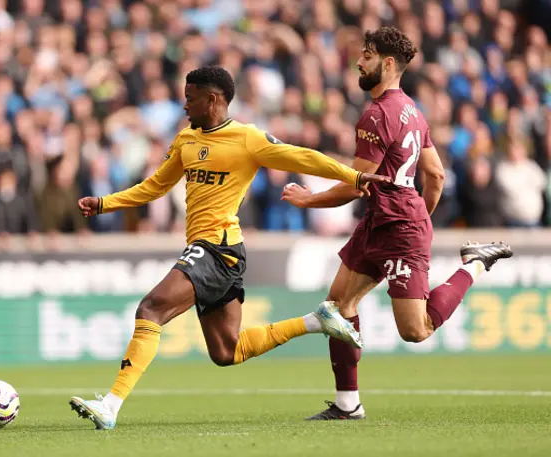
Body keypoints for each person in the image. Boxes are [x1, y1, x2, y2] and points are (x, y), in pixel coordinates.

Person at [69, 66, 391, 430]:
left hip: (218, 248)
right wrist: (104, 203)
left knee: (151, 308)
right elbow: (155, 186)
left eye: (191, 98)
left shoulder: (247, 138)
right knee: (226, 351)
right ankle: (316, 321)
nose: (185, 104)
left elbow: (303, 157)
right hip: (217, 252)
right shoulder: (185, 140)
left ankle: (111, 405)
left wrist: (353, 175)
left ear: (214, 99)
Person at [281, 27, 513, 421]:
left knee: (416, 330)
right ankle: (347, 404)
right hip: (382, 222)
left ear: (388, 64)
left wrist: (309, 199)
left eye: (367, 55)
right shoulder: (412, 110)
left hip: (398, 227)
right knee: (337, 307)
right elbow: (436, 174)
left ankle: (473, 263)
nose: (359, 61)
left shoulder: (377, 114)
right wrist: (421, 213)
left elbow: (357, 184)